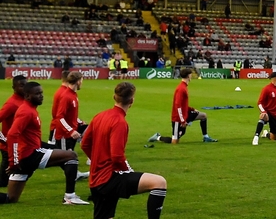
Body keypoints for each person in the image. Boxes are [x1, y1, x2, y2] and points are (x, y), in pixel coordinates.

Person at [82, 82, 168, 219]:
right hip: (110, 178)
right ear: (132, 100)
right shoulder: (119, 122)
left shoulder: (100, 116)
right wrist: (127, 170)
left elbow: (85, 144)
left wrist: (98, 161)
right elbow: (117, 156)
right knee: (159, 183)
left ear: (114, 97)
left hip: (96, 178)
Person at [0, 82, 89, 205]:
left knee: (11, 198)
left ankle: (71, 192)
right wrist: (14, 161)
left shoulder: (30, 109)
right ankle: (70, 197)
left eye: (41, 93)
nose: (41, 96)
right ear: (27, 96)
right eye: (37, 94)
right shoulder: (26, 112)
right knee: (71, 155)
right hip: (29, 156)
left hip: (25, 157)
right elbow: (12, 134)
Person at [149, 68, 217, 144]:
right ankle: (158, 137)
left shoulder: (184, 87)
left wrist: (192, 109)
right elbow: (178, 105)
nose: (191, 76)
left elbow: (183, 104)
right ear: (188, 76)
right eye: (191, 75)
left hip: (185, 114)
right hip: (178, 118)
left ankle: (206, 137)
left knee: (203, 116)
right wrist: (182, 121)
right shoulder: (181, 88)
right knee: (174, 141)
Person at [53, 71, 90, 180]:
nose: (82, 83)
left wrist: (78, 121)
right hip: (64, 135)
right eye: (82, 81)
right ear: (78, 81)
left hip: (72, 131)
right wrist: (70, 131)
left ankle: (75, 174)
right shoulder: (66, 96)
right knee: (66, 159)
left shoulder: (73, 95)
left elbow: (70, 114)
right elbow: (59, 116)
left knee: (70, 157)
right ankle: (70, 189)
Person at [0, 75, 27, 188]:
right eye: (21, 86)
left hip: (19, 143)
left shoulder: (23, 100)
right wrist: (3, 139)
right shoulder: (11, 104)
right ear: (14, 87)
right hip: (8, 145)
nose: (24, 88)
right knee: (4, 179)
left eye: (26, 85)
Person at [253, 72, 276, 145]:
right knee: (263, 117)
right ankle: (256, 137)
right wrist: (263, 111)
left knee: (274, 138)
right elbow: (259, 102)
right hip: (268, 112)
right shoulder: (266, 89)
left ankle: (266, 133)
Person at [49, 69, 71, 144]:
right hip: (58, 126)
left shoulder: (60, 91)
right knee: (54, 148)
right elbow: (59, 114)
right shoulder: (65, 93)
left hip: (57, 123)